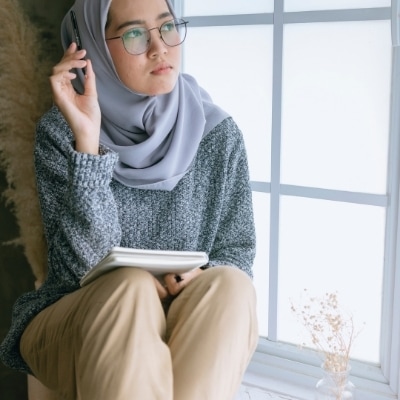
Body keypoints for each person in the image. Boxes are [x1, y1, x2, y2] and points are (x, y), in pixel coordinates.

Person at [0, 0, 258, 398]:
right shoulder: (62, 131)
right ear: (91, 49)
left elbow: (237, 249)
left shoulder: (218, 134)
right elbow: (77, 270)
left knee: (232, 285)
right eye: (135, 33)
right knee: (130, 289)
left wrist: (201, 275)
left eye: (167, 27)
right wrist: (88, 142)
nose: (160, 48)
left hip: (180, 311)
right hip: (75, 320)